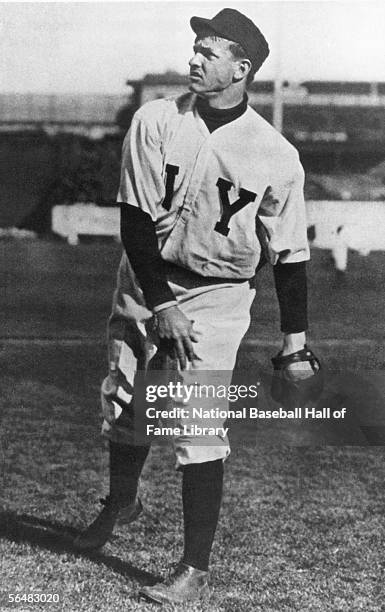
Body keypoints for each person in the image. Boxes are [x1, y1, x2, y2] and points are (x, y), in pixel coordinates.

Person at [74, 8, 315, 605]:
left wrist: (294, 341)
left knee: (196, 425)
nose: (195, 59)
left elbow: (290, 254)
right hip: (146, 277)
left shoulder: (275, 153)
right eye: (196, 48)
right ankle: (122, 501)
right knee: (126, 402)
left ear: (242, 68)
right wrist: (159, 304)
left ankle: (194, 569)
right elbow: (134, 220)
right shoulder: (155, 120)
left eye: (211, 51)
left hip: (218, 295)